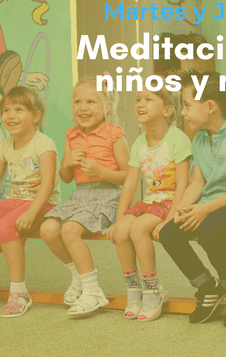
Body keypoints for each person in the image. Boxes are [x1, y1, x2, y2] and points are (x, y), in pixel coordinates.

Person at [159, 70, 226, 328]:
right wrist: (179, 211)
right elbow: (198, 183)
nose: (183, 112)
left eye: (187, 105)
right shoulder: (200, 138)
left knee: (210, 232)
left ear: (210, 107)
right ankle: (207, 287)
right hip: (209, 204)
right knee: (169, 233)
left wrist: (204, 209)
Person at [40, 77, 129, 316]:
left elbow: (129, 175)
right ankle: (78, 275)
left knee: (69, 230)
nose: (83, 107)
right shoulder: (72, 135)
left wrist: (102, 172)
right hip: (80, 196)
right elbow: (66, 178)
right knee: (48, 229)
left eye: (91, 101)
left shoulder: (114, 134)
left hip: (107, 196)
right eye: (78, 102)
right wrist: (67, 163)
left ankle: (92, 291)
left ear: (107, 106)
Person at [108, 83, 191, 322]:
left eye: (148, 99)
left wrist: (169, 220)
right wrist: (119, 219)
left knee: (137, 228)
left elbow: (183, 184)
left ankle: (153, 289)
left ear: (167, 110)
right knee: (122, 229)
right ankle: (134, 288)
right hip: (149, 204)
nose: (140, 104)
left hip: (169, 203)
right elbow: (130, 184)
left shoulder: (178, 139)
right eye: (138, 99)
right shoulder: (139, 143)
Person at [0, 86, 59, 318]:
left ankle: (19, 292)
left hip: (42, 204)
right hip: (14, 201)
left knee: (5, 228)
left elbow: (47, 184)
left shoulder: (44, 144)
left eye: (19, 109)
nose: (10, 115)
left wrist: (31, 213)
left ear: (35, 116)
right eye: (6, 110)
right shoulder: (5, 144)